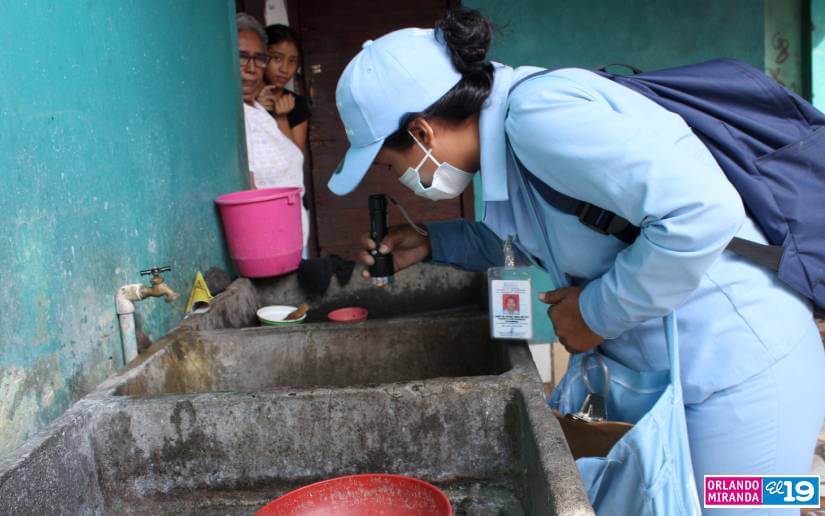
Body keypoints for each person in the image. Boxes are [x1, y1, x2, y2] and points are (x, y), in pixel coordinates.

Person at [326, 8, 825, 514]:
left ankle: (804, 495)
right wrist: (434, 242)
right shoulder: (509, 150)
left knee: (750, 503)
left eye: (392, 164)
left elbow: (703, 211)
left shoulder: (539, 118)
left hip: (744, 372)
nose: (400, 178)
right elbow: (540, 238)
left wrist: (595, 313)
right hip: (683, 374)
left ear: (421, 134)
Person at [236, 13, 309, 251]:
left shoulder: (261, 108)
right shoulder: (231, 114)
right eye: (242, 57)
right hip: (267, 247)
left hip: (288, 242)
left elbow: (295, 156)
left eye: (259, 59)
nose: (251, 68)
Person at [256, 24, 310, 155]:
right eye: (277, 58)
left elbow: (296, 159)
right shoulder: (246, 99)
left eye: (292, 61)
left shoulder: (297, 105)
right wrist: (256, 109)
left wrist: (281, 118)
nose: (284, 69)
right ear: (262, 57)